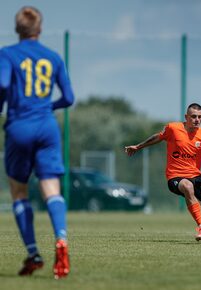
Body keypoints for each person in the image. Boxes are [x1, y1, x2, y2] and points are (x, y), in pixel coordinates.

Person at [0, 7, 74, 279]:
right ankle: (62, 239)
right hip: (46, 126)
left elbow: (3, 83)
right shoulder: (53, 57)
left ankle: (33, 253)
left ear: (17, 29)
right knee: (51, 189)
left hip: (19, 126)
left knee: (19, 192)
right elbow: (68, 98)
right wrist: (45, 106)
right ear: (39, 29)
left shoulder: (7, 54)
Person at [125, 103, 201, 241]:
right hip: (175, 176)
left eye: (200, 117)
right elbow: (158, 137)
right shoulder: (173, 128)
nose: (197, 120)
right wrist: (139, 146)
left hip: (196, 176)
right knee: (187, 186)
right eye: (194, 116)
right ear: (186, 117)